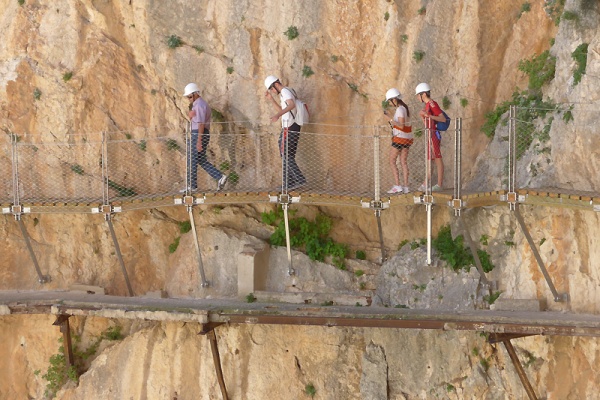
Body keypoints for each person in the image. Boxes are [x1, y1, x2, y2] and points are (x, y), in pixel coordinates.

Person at [182, 83, 227, 192]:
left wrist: (199, 141)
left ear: (195, 94)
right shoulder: (197, 105)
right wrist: (191, 116)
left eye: (189, 96)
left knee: (192, 159)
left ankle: (192, 186)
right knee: (201, 160)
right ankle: (220, 176)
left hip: (199, 133)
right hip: (199, 133)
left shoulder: (200, 105)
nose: (188, 99)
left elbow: (201, 124)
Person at [264, 75, 306, 191]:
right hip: (292, 126)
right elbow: (283, 109)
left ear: (276, 84)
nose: (272, 91)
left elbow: (291, 105)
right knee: (288, 155)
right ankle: (289, 183)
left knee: (285, 154)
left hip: (289, 127)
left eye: (272, 89)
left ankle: (298, 179)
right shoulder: (287, 91)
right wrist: (271, 100)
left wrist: (278, 116)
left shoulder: (285, 92)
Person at [415, 82, 444, 191]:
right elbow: (428, 123)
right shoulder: (427, 105)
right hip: (430, 133)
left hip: (434, 134)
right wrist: (423, 117)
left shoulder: (432, 104)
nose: (417, 97)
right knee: (430, 159)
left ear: (423, 94)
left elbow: (442, 118)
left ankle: (439, 185)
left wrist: (428, 115)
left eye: (418, 95)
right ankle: (426, 182)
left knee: (437, 158)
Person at [383, 88, 413, 194]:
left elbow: (401, 125)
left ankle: (397, 185)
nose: (390, 103)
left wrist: (390, 119)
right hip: (407, 139)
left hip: (399, 138)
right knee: (403, 162)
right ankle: (406, 186)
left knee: (392, 161)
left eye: (390, 101)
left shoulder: (400, 109)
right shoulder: (405, 108)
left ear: (394, 99)